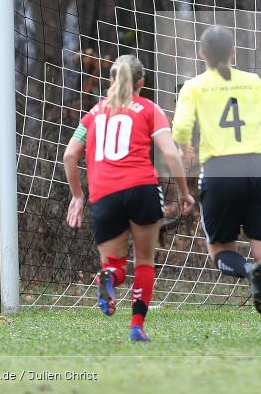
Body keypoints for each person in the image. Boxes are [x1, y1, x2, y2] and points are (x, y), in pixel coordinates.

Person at [173, 25, 261, 344]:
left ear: (202, 55)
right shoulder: (253, 83)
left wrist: (185, 146)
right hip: (258, 168)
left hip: (220, 171)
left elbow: (182, 127)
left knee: (219, 250)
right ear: (233, 53)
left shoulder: (194, 87)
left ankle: (246, 271)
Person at [64, 54, 193, 342]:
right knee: (145, 260)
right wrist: (184, 193)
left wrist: (77, 195)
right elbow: (170, 153)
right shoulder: (149, 108)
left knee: (114, 265)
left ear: (111, 80)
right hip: (142, 190)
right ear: (141, 83)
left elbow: (70, 154)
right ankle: (136, 326)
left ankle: (108, 279)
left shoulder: (94, 113)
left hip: (104, 195)